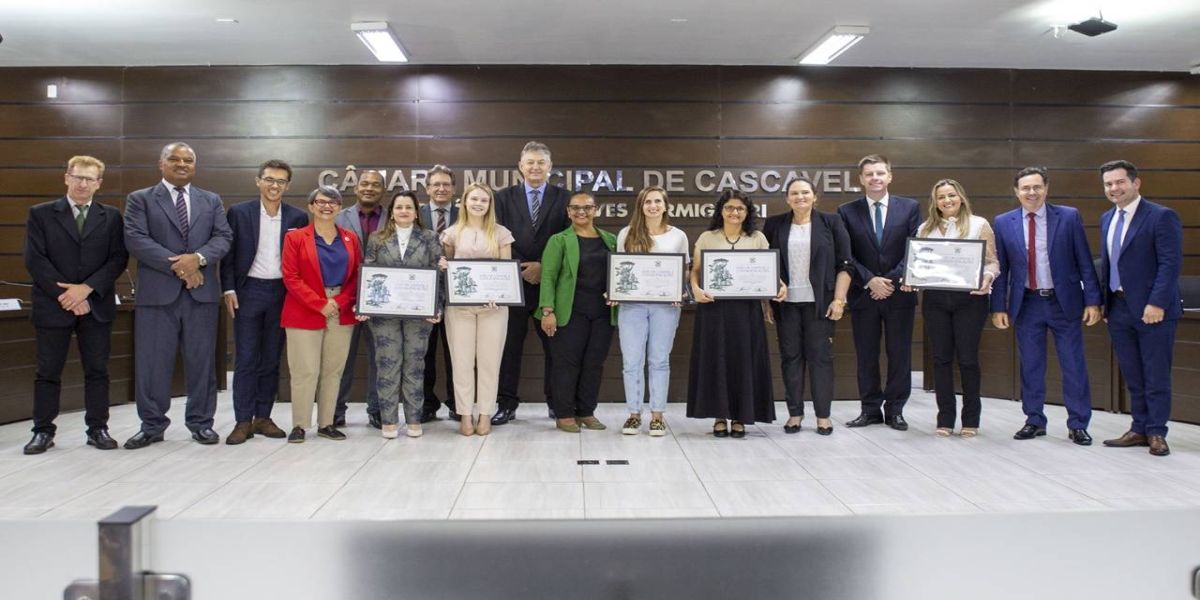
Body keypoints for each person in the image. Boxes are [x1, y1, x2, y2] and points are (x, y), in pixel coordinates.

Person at [123, 142, 232, 449]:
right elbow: (136, 239)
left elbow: (223, 237)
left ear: (194, 166)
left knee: (202, 363)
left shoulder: (210, 200)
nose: (182, 164)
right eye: (175, 159)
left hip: (201, 295)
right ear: (162, 164)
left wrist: (197, 259)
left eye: (188, 160)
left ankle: (201, 423)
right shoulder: (140, 199)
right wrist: (183, 267)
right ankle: (152, 425)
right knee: (153, 364)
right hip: (157, 297)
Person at [22, 155, 128, 454]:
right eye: (78, 177)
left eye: (89, 179)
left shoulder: (111, 217)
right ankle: (43, 431)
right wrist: (67, 296)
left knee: (97, 370)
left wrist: (86, 290)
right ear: (66, 177)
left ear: (99, 184)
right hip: (53, 305)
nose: (83, 183)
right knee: (47, 371)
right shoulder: (41, 214)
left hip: (95, 305)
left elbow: (118, 259)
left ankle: (98, 429)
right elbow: (35, 259)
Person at [991, 166, 1102, 445]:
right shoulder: (1003, 222)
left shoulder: (1068, 217)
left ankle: (1078, 424)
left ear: (1046, 188)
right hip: (1026, 304)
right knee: (1031, 365)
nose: (1031, 192)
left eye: (1036, 187)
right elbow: (1000, 269)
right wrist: (998, 307)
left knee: (1073, 365)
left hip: (1063, 303)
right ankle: (1034, 420)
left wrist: (1093, 300)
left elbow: (1085, 262)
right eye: (1025, 188)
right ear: (1016, 192)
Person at [1096, 160, 1183, 457]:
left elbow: (1170, 264)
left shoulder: (1161, 217)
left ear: (1136, 183)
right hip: (1119, 309)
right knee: (1133, 374)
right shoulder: (1107, 218)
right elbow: (1108, 265)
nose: (1114, 188)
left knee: (1155, 373)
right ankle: (1139, 428)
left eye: (1119, 182)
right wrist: (1105, 304)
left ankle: (1157, 432)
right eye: (1108, 184)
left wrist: (1157, 302)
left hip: (1153, 310)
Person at [219, 159, 308, 445]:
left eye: (281, 181)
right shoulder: (239, 213)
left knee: (271, 358)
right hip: (248, 292)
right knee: (246, 358)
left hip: (282, 294)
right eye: (269, 179)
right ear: (258, 181)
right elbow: (228, 255)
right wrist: (228, 289)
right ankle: (242, 421)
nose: (274, 185)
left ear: (288, 186)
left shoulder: (297, 217)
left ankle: (263, 417)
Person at [688, 190, 784, 438]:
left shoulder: (757, 238)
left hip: (747, 311)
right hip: (713, 310)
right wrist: (695, 289)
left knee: (744, 360)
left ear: (747, 212)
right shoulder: (708, 237)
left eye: (740, 209)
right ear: (721, 211)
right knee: (716, 360)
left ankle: (741, 416)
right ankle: (719, 416)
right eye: (729, 208)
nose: (734, 212)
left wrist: (779, 285)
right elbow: (695, 271)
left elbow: (767, 272)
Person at [906, 180, 999, 437]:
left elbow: (993, 262)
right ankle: (944, 418)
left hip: (970, 300)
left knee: (968, 359)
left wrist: (988, 278)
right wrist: (911, 279)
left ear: (961, 196)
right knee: (941, 359)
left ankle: (971, 419)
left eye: (951, 195)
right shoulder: (925, 228)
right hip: (935, 301)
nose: (947, 200)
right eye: (941, 197)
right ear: (934, 202)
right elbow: (918, 265)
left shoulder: (979, 224)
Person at [762, 177, 851, 437]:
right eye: (794, 193)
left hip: (820, 304)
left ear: (814, 196)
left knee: (821, 359)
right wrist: (766, 301)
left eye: (805, 192)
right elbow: (766, 265)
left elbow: (845, 265)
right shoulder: (775, 224)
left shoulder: (831, 222)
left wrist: (839, 300)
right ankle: (795, 414)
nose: (800, 197)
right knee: (791, 359)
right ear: (787, 198)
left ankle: (823, 416)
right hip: (785, 304)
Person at [837, 154, 920, 431]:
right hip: (864, 295)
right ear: (860, 179)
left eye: (880, 173)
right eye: (869, 174)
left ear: (890, 176)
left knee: (899, 355)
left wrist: (889, 280)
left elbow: (914, 249)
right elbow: (846, 254)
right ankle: (870, 409)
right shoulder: (846, 211)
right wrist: (870, 280)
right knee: (867, 355)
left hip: (900, 296)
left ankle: (895, 410)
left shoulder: (910, 208)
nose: (875, 178)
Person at [491, 141, 571, 425]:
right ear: (520, 167)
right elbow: (496, 235)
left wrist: (542, 267)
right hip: (513, 283)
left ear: (550, 168)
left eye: (541, 163)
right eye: (530, 162)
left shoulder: (565, 199)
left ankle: (555, 402)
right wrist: (522, 267)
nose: (535, 167)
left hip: (550, 286)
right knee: (509, 347)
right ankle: (506, 404)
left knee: (555, 347)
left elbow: (568, 241)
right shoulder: (501, 198)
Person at [281, 186, 362, 443]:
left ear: (340, 207)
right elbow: (291, 277)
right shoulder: (295, 238)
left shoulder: (350, 238)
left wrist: (337, 301)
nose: (327, 206)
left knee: (333, 369)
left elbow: (356, 277)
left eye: (334, 202)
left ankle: (327, 423)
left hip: (340, 309)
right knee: (305, 370)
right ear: (311, 206)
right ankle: (300, 425)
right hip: (304, 310)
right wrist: (319, 303)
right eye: (321, 201)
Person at [366, 191, 446, 439]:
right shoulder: (377, 239)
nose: (403, 211)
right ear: (392, 211)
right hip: (384, 315)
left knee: (415, 366)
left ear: (416, 212)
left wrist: (438, 306)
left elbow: (439, 275)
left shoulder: (430, 238)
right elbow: (368, 273)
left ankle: (414, 419)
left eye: (408, 207)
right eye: (398, 207)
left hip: (419, 315)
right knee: (387, 365)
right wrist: (366, 305)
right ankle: (388, 420)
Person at [539, 192, 618, 433]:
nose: (581, 212)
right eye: (575, 208)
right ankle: (564, 414)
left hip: (603, 314)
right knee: (566, 363)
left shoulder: (611, 240)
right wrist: (547, 310)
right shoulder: (559, 240)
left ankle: (586, 411)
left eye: (587, 207)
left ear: (596, 210)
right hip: (569, 312)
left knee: (594, 363)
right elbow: (548, 276)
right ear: (568, 212)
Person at [441, 183, 515, 436]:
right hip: (459, 309)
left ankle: (484, 414)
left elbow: (506, 271)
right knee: (461, 362)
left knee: (489, 363)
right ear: (464, 202)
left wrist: (500, 295)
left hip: (493, 309)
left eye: (484, 200)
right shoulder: (451, 234)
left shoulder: (502, 233)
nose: (478, 204)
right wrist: (443, 265)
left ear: (489, 205)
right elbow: (447, 267)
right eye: (474, 199)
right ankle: (465, 415)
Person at [615, 186, 689, 437]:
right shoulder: (627, 233)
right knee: (631, 361)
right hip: (632, 306)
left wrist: (680, 292)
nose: (653, 206)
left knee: (659, 360)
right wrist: (616, 292)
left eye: (658, 201)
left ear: (666, 206)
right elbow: (621, 270)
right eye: (648, 202)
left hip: (665, 307)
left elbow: (685, 271)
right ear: (641, 206)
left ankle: (657, 416)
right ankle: (634, 415)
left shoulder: (678, 236)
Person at [334, 169, 386, 429]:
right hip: (347, 296)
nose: (369, 188)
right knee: (342, 356)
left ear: (382, 191)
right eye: (364, 183)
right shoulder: (339, 217)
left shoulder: (393, 218)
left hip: (381, 299)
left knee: (379, 357)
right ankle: (336, 410)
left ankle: (376, 409)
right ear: (356, 188)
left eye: (375, 185)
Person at [418, 164, 459, 423]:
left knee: (458, 351)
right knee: (424, 352)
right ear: (427, 188)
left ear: (453, 189)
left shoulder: (465, 212)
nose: (441, 188)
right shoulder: (415, 213)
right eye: (436, 184)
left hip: (458, 293)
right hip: (423, 293)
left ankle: (458, 403)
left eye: (446, 184)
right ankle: (426, 405)